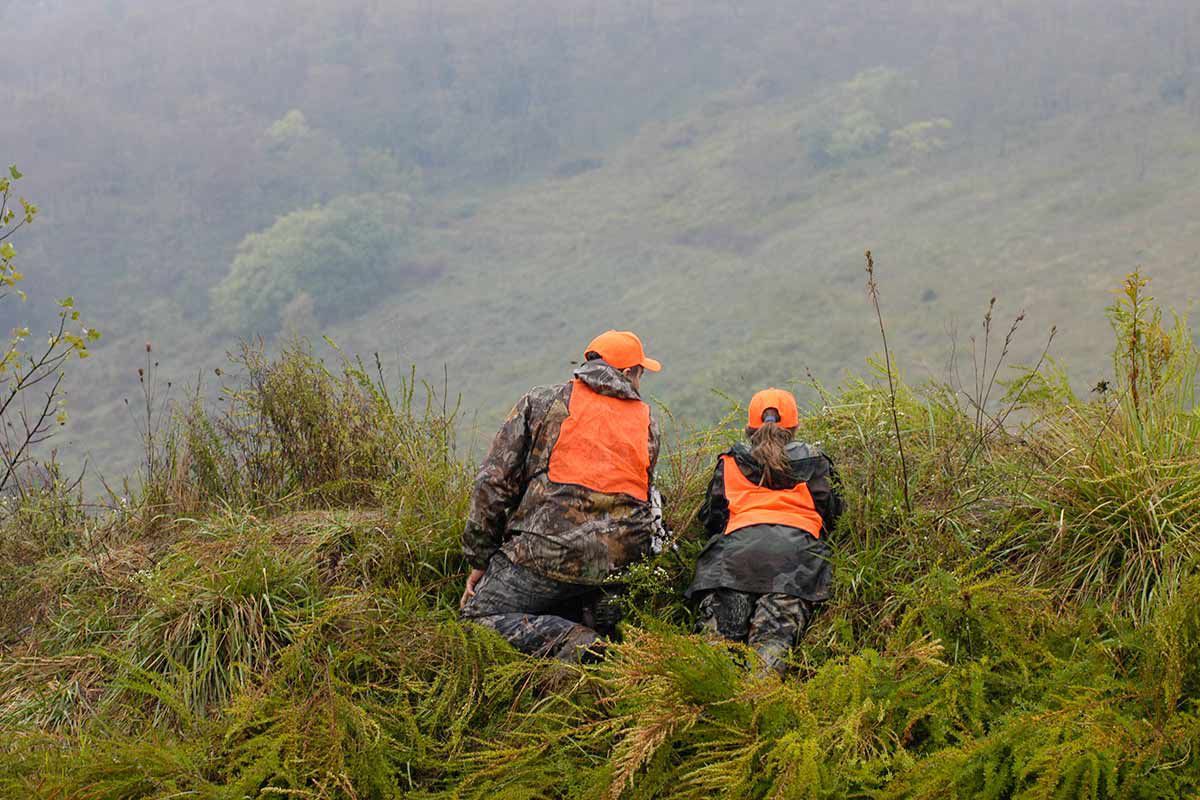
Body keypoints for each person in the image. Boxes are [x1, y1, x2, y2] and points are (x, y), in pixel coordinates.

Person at [460, 330, 663, 661]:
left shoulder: (541, 402)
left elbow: (492, 484)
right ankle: (597, 629)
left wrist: (479, 558)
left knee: (476, 619)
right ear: (627, 374)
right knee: (583, 596)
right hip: (621, 566)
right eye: (641, 373)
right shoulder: (648, 423)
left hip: (546, 553)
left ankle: (578, 643)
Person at [686, 388, 842, 676]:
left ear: (750, 429)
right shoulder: (818, 462)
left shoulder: (730, 462)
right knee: (769, 655)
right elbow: (832, 516)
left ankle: (703, 716)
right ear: (794, 427)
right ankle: (757, 710)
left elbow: (713, 518)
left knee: (715, 660)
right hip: (796, 564)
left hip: (734, 561)